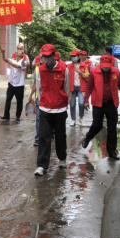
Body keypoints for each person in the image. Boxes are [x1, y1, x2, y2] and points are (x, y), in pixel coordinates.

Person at [82, 55, 120, 160]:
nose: (106, 68)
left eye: (107, 66)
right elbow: (89, 87)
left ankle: (112, 151)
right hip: (98, 103)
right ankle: (88, 137)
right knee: (97, 125)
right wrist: (86, 100)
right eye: (104, 66)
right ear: (100, 64)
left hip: (112, 103)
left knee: (112, 127)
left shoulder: (116, 72)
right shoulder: (94, 71)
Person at [34, 44, 69, 176]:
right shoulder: (40, 70)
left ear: (54, 55)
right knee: (44, 136)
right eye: (44, 56)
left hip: (60, 109)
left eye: (49, 56)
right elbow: (39, 89)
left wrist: (63, 101)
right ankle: (41, 165)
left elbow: (66, 88)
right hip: (45, 108)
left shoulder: (63, 69)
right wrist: (43, 102)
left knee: (60, 136)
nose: (46, 59)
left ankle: (62, 158)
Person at [0, 43, 29, 122]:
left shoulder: (23, 62)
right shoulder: (13, 60)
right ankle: (6, 115)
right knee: (8, 99)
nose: (18, 51)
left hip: (19, 85)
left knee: (19, 101)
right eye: (18, 49)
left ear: (22, 55)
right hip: (11, 83)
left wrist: (9, 62)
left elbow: (17, 66)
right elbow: (5, 59)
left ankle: (18, 116)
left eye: (20, 50)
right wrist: (3, 53)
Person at [67, 50, 91, 127]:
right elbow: (66, 77)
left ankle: (81, 118)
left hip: (81, 87)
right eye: (72, 56)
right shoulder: (69, 66)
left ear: (78, 57)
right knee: (72, 104)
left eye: (74, 56)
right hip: (72, 88)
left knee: (81, 103)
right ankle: (73, 119)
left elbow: (87, 76)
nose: (73, 57)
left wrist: (80, 72)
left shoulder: (83, 66)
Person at [28, 53, 44, 146]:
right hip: (39, 98)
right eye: (42, 57)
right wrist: (31, 95)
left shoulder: (53, 70)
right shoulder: (37, 69)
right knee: (38, 118)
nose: (43, 59)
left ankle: (48, 135)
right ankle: (38, 138)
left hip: (49, 99)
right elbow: (35, 83)